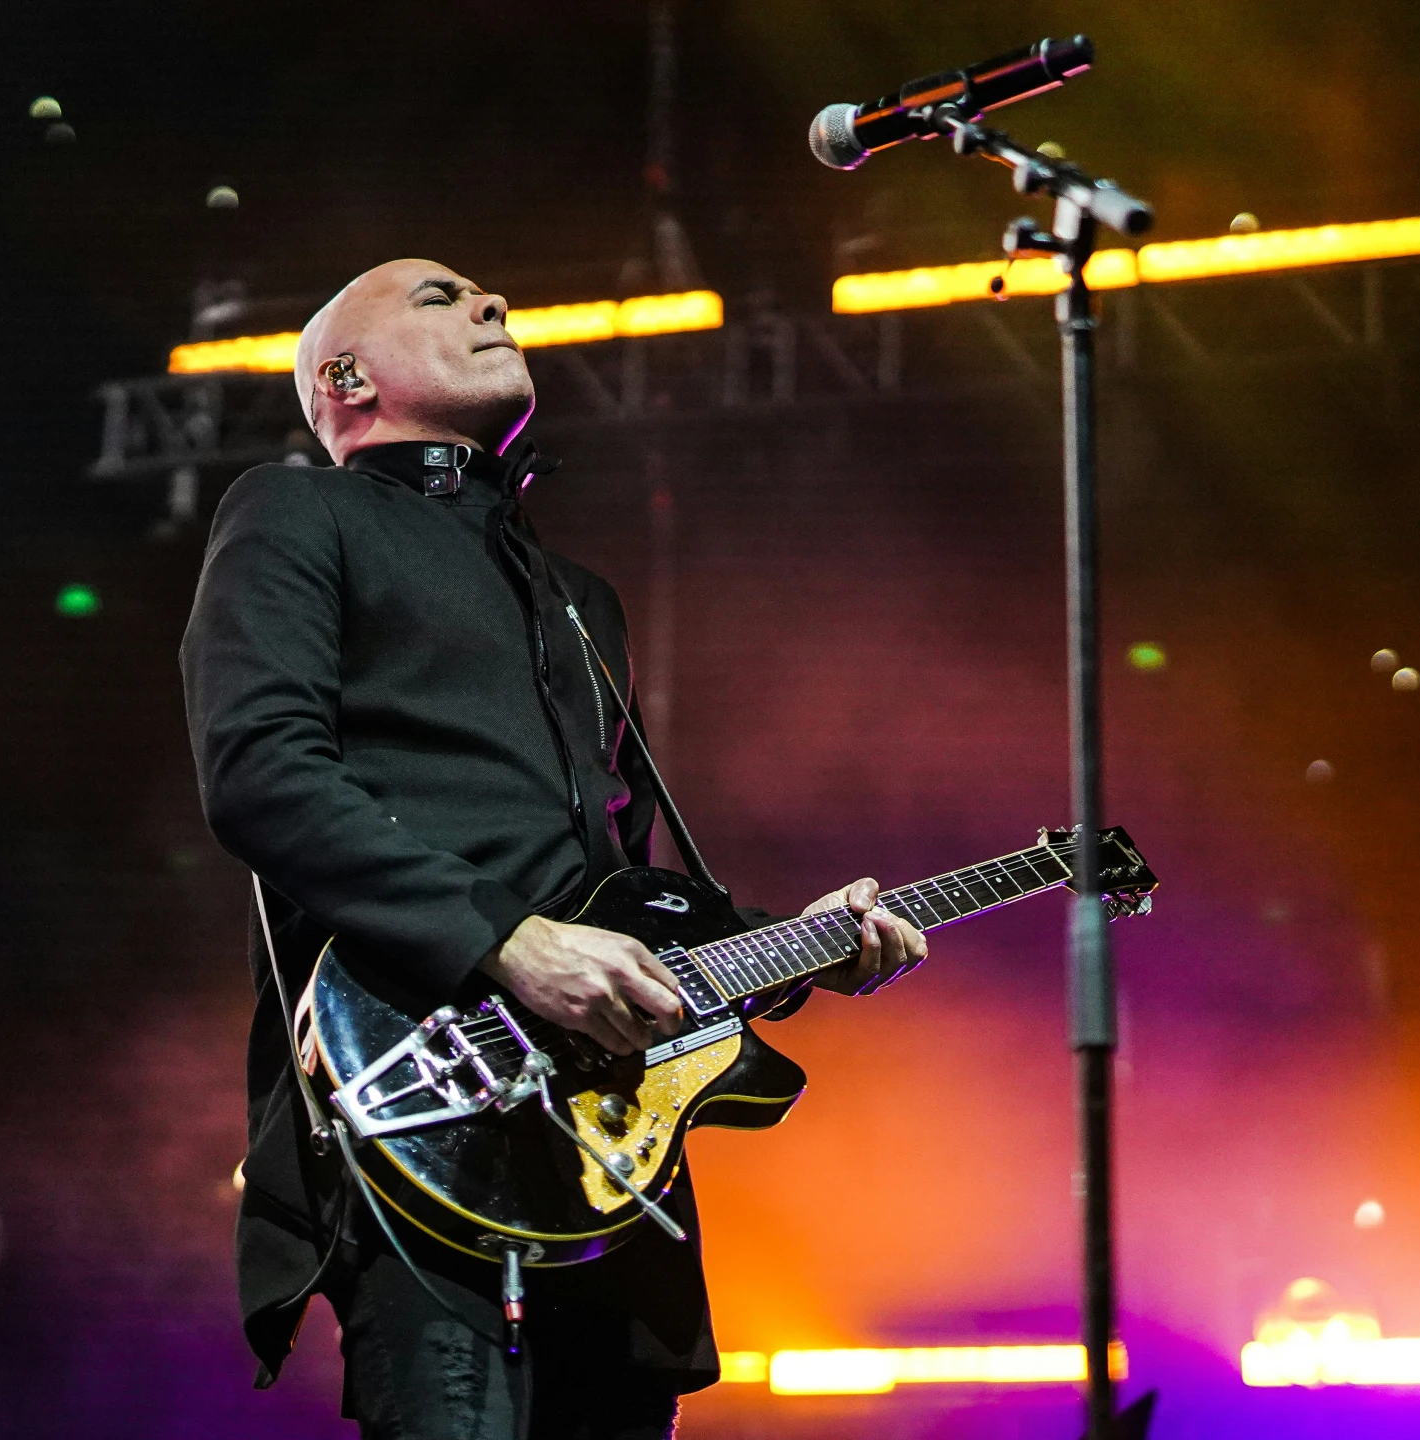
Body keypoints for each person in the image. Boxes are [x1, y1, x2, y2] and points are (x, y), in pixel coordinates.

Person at [179, 258, 928, 1440]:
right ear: (343, 376)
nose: (491, 307)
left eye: (490, 298)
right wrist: (508, 945)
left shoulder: (580, 598)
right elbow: (261, 776)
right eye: (442, 298)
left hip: (606, 1152)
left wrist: (800, 946)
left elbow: (623, 899)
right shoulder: (294, 512)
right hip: (423, 1093)